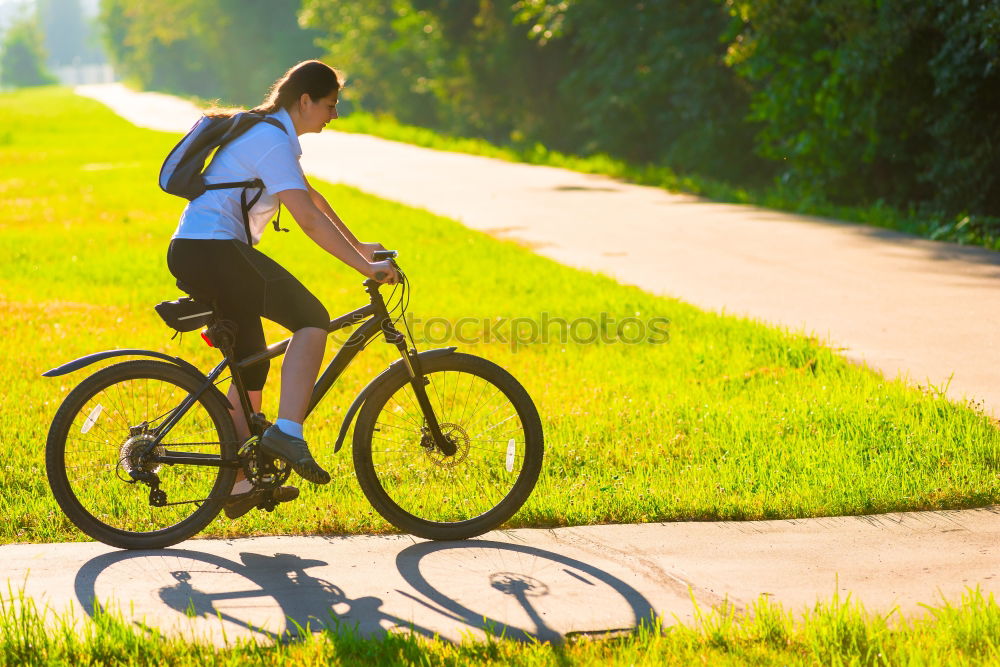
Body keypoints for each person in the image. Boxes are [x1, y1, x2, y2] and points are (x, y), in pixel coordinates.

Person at [166, 60, 399, 519]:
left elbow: (311, 198)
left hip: (202, 250)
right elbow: (307, 221)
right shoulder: (270, 139)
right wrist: (364, 268)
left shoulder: (271, 135)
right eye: (330, 105)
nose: (334, 115)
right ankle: (288, 432)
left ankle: (235, 482)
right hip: (212, 251)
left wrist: (360, 247)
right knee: (312, 319)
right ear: (305, 100)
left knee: (250, 367)